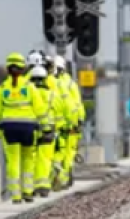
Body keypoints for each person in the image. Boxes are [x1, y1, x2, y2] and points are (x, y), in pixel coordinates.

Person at [0, 53, 47, 203]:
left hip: (9, 129)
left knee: (13, 161)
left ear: (8, 69)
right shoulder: (30, 87)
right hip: (28, 128)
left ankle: (16, 196)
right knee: (29, 159)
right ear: (23, 69)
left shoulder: (2, 88)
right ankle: (28, 191)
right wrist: (45, 127)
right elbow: (40, 109)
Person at [30, 65, 68, 197]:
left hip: (31, 130)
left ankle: (30, 187)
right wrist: (59, 128)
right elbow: (60, 113)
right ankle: (43, 186)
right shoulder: (53, 95)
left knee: (31, 158)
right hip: (48, 130)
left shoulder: (28, 93)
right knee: (45, 159)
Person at [53, 55, 85, 189]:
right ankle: (63, 178)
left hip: (53, 124)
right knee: (69, 151)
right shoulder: (70, 83)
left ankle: (55, 177)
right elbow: (77, 104)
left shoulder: (49, 82)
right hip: (71, 123)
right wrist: (80, 120)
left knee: (55, 152)